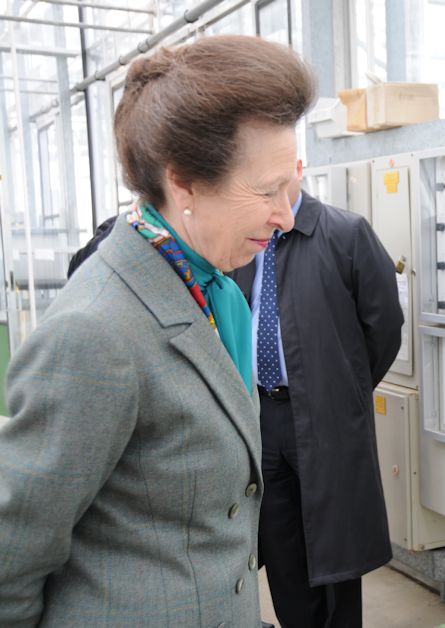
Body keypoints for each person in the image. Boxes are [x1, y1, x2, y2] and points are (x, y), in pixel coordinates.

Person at [0, 35, 313, 626]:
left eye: (289, 186)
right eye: (267, 191)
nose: (286, 215)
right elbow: (12, 552)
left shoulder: (214, 290)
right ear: (184, 181)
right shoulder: (96, 334)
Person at [229, 160, 402, 623]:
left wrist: (341, 388)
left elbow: (384, 327)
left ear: (298, 167)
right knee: (282, 551)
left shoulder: (345, 234)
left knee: (338, 551)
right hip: (261, 415)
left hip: (327, 418)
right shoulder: (246, 239)